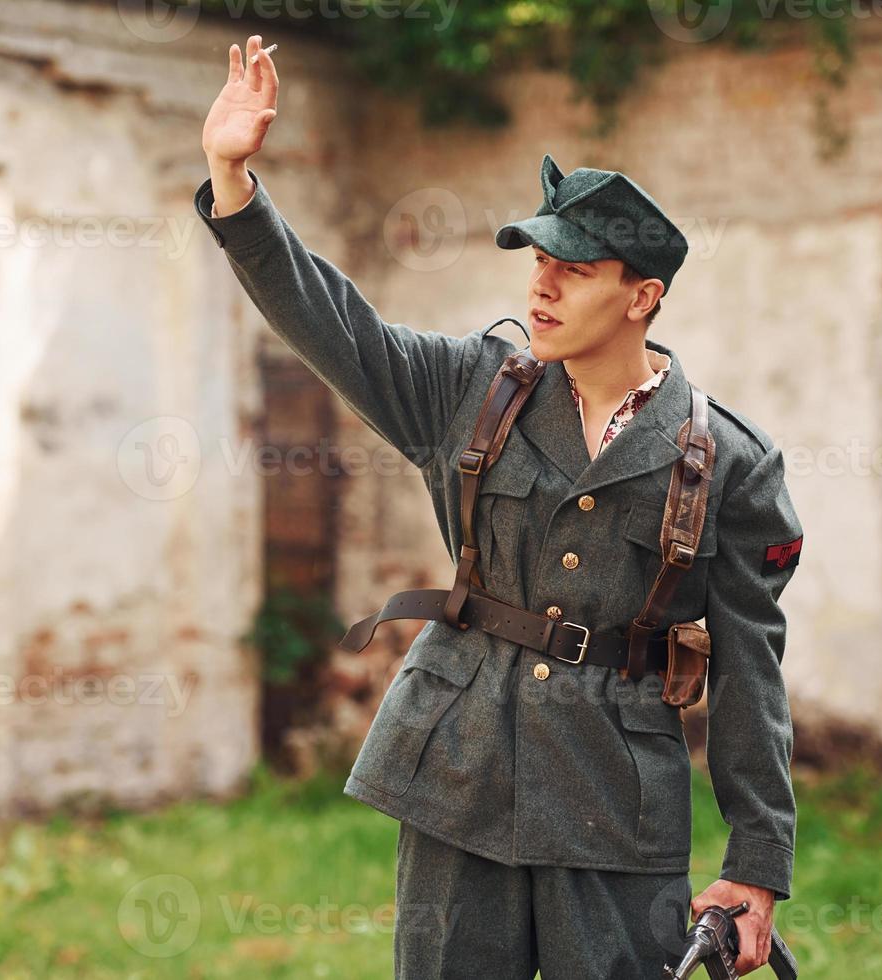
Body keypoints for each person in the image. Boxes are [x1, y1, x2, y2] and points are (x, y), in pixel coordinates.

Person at [196, 34, 804, 979]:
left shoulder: (729, 462)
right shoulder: (470, 391)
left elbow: (751, 669)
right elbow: (333, 322)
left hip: (615, 809)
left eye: (574, 267)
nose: (542, 283)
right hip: (456, 779)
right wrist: (234, 183)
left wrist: (757, 864)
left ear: (643, 296)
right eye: (536, 258)